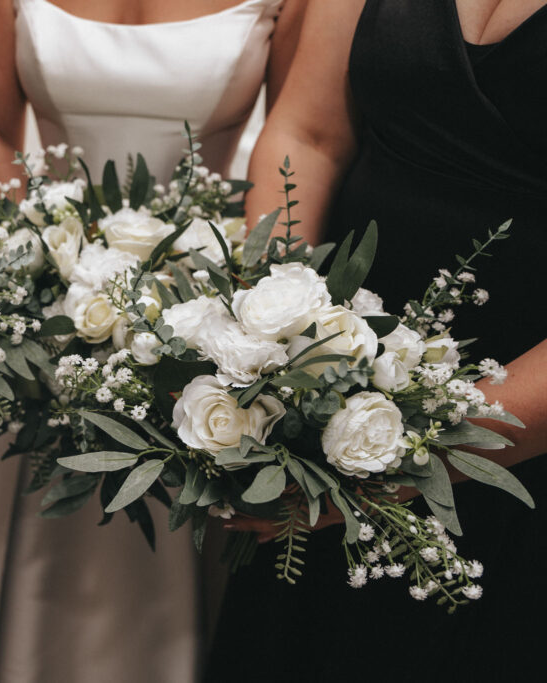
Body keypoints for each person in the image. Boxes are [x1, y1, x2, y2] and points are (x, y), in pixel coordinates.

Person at [0, 1, 306, 680]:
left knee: (175, 560)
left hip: (200, 329)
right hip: (45, 318)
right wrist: (25, 286)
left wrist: (253, 310)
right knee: (47, 560)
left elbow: (298, 143)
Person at [212, 0, 547, 679]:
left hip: (518, 448)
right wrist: (281, 331)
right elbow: (308, 133)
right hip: (336, 398)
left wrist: (401, 458)